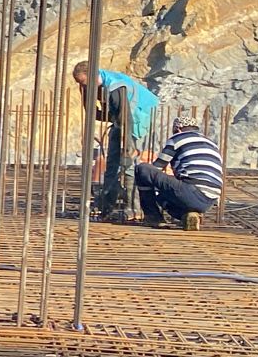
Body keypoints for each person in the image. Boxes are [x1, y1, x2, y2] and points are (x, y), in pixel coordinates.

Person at [72, 60, 158, 221]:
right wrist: (85, 95)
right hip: (121, 119)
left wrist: (127, 148)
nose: (82, 86)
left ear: (92, 75)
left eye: (83, 82)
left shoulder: (115, 87)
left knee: (128, 163)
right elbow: (97, 114)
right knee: (112, 162)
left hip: (139, 115)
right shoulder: (94, 86)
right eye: (79, 84)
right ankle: (107, 206)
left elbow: (126, 119)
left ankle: (134, 208)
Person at [135, 119, 223, 230]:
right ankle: (189, 214)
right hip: (209, 201)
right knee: (167, 193)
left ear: (178, 129)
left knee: (143, 169)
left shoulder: (177, 138)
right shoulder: (212, 144)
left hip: (190, 191)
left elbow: (155, 168)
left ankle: (153, 217)